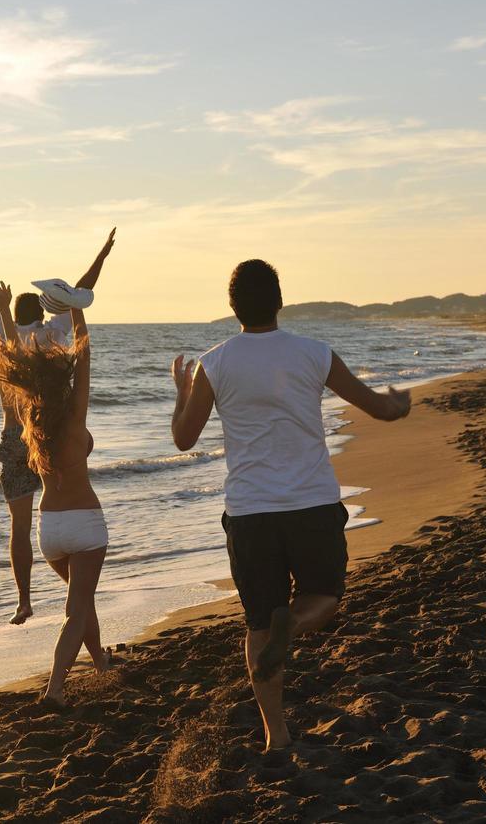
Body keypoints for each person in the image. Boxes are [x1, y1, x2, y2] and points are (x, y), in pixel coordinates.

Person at [170, 259, 411, 752]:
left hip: (250, 513)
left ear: (232, 305)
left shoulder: (213, 363)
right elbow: (380, 409)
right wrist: (400, 403)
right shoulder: (315, 353)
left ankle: (275, 736)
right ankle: (296, 625)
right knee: (324, 595)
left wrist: (182, 393)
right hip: (312, 504)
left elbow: (183, 438)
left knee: (259, 625)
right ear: (280, 301)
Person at [0, 229, 115, 625]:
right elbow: (80, 292)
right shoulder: (53, 333)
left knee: (20, 526)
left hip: (15, 435)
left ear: (14, 312)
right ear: (42, 314)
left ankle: (24, 600)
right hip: (52, 435)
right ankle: (77, 587)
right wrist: (103, 254)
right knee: (64, 509)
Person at [0, 287, 111, 707]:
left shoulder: (30, 419)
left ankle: (101, 661)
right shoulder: (74, 416)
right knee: (75, 610)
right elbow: (84, 359)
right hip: (85, 523)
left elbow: (14, 356)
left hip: (49, 531)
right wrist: (77, 311)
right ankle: (54, 688)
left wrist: (1, 313)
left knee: (80, 603)